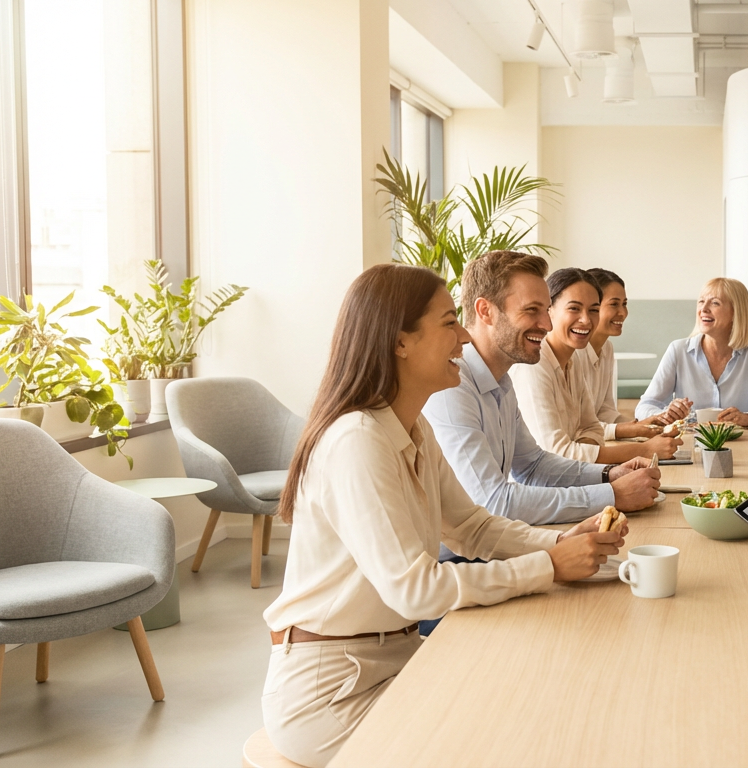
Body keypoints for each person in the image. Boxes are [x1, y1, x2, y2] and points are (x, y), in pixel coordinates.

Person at [261, 264, 626, 768]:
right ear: (400, 342)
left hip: (395, 656)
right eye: (449, 321)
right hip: (332, 690)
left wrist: (560, 544)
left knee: (541, 697)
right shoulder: (356, 441)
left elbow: (473, 527)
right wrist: (549, 566)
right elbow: (415, 589)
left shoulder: (412, 429)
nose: (462, 337)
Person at [423, 251, 661, 527]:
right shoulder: (453, 386)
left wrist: (610, 474)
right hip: (461, 562)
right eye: (532, 310)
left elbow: (533, 466)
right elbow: (493, 502)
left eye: (546, 311)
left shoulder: (501, 379)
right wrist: (611, 495)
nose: (547, 325)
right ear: (485, 311)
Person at [511, 267, 680, 462]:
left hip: (573, 477)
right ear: (549, 310)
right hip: (542, 488)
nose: (585, 319)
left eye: (593, 310)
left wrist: (582, 446)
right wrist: (642, 450)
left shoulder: (571, 361)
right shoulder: (533, 366)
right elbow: (557, 454)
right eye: (574, 308)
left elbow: (593, 428)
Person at [636, 277, 748, 427]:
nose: (703, 309)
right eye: (701, 301)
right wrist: (666, 415)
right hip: (690, 444)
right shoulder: (678, 351)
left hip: (740, 445)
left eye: (715, 303)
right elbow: (644, 407)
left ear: (735, 313)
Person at [577, 268, 668, 441]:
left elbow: (606, 412)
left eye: (624, 304)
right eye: (614, 304)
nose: (623, 313)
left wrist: (644, 426)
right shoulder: (573, 354)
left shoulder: (607, 349)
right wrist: (633, 430)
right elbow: (577, 427)